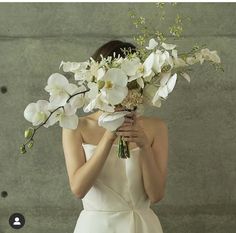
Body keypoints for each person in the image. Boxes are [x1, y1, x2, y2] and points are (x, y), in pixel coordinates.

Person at [62, 40, 168, 233]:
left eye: (131, 83)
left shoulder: (155, 128)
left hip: (143, 226)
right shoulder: (77, 127)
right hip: (96, 227)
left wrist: (144, 146)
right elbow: (78, 189)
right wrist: (109, 136)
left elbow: (156, 195)